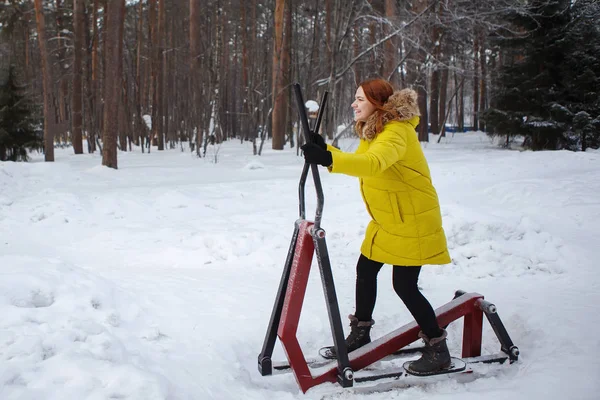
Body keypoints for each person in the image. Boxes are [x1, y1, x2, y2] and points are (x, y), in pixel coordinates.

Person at [300, 78, 452, 375]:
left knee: (404, 286)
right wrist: (326, 149)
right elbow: (361, 159)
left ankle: (438, 347)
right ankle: (360, 334)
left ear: (378, 104)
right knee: (366, 270)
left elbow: (373, 164)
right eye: (355, 98)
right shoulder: (376, 131)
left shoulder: (396, 132)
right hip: (388, 219)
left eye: (360, 99)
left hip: (412, 220)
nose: (354, 104)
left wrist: (328, 158)